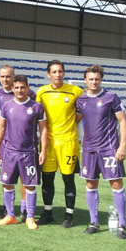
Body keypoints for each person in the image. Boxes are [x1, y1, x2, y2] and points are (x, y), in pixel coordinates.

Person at [76, 65, 126, 239]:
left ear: (101, 80)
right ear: (85, 80)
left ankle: (123, 224)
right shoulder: (81, 100)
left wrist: (122, 146)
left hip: (109, 149)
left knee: (116, 184)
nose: (94, 82)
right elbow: (76, 121)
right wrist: (78, 138)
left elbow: (122, 121)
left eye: (97, 79)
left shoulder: (111, 97)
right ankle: (94, 222)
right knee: (90, 184)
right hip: (89, 150)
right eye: (90, 79)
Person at [0, 75, 48, 230]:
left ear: (27, 88)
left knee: (30, 186)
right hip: (9, 152)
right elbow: (1, 128)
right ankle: (10, 215)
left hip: (29, 153)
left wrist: (43, 150)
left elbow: (43, 129)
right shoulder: (6, 106)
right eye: (16, 87)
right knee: (8, 184)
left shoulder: (37, 107)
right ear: (12, 88)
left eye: (22, 87)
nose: (19, 90)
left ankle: (29, 217)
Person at [36, 60, 84, 228]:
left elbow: (81, 113)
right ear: (48, 74)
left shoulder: (75, 91)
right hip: (48, 143)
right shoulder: (42, 92)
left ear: (64, 73)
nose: (58, 75)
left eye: (60, 71)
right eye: (54, 72)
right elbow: (37, 116)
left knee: (68, 179)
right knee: (47, 179)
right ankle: (48, 213)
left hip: (68, 143)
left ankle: (69, 215)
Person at [0, 65, 36, 220]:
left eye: (8, 76)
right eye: (2, 76)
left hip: (25, 146)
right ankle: (8, 211)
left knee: (25, 179)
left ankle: (24, 210)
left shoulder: (29, 94)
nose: (5, 79)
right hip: (6, 145)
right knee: (7, 178)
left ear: (13, 77)